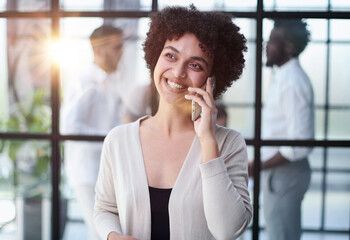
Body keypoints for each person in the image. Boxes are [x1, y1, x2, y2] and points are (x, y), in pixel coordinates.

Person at [94, 5, 252, 240]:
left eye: (195, 64)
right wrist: (113, 236)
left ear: (211, 79)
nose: (178, 72)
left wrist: (207, 139)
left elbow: (228, 230)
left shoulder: (228, 143)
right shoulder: (119, 140)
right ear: (155, 57)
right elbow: (104, 209)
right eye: (170, 55)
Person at [248, 19, 314, 240]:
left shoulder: (292, 81)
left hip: (285, 174)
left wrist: (258, 165)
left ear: (289, 48)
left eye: (273, 41)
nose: (266, 45)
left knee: (282, 236)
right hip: (278, 173)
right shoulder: (283, 76)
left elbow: (299, 144)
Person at [61, 25, 125, 240]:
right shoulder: (84, 83)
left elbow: (115, 123)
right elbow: (69, 128)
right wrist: (108, 139)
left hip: (104, 170)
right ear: (99, 50)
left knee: (104, 230)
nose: (121, 53)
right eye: (117, 47)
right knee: (101, 232)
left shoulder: (111, 81)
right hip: (87, 172)